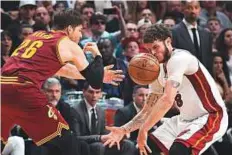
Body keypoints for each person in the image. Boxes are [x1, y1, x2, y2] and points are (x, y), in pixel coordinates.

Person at [1, 9, 124, 155]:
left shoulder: (36, 36)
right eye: (79, 30)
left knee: (3, 142)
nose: (80, 35)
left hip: (3, 88)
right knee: (67, 143)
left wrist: (99, 74)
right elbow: (95, 82)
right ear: (69, 29)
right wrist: (97, 55)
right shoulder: (67, 43)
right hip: (24, 90)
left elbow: (62, 70)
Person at [104, 24, 228, 155]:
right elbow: (148, 109)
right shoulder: (156, 70)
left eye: (156, 47)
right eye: (148, 49)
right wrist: (124, 130)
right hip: (183, 119)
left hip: (210, 116)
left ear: (168, 41)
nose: (152, 53)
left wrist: (144, 129)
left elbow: (167, 100)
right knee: (146, 149)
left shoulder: (180, 59)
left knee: (179, 150)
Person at [72, 82, 136, 155]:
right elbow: (76, 138)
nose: (94, 95)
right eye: (91, 92)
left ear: (101, 94)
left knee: (128, 145)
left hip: (99, 145)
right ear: (83, 92)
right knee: (99, 146)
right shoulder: (75, 110)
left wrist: (115, 135)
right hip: (84, 146)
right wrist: (99, 138)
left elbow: (104, 132)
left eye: (97, 92)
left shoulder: (101, 111)